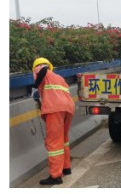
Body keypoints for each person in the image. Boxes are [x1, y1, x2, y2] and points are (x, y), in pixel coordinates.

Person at [32, 57, 76, 185]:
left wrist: (35, 87)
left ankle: (56, 175)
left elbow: (42, 70)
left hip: (55, 109)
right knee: (63, 139)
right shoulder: (59, 77)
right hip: (68, 108)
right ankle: (66, 167)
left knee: (54, 143)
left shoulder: (41, 70)